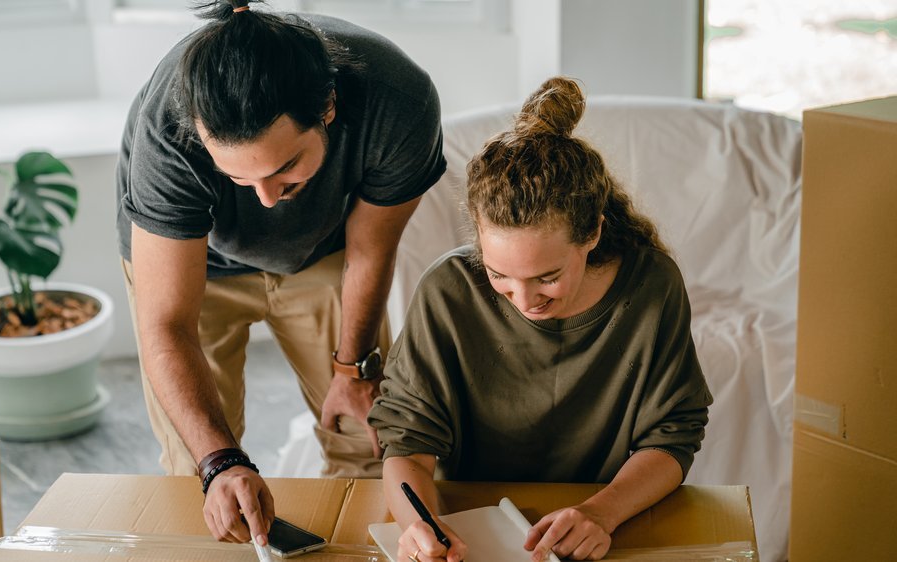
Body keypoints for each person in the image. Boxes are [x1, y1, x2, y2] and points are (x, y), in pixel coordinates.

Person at [115, 0, 446, 548]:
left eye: (284, 167)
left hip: (325, 252)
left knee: (366, 438)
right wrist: (220, 462)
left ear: (329, 109)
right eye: (239, 177)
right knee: (200, 471)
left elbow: (371, 250)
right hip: (193, 264)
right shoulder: (167, 131)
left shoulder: (398, 101)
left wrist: (352, 367)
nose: (267, 199)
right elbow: (167, 325)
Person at [368, 76, 712, 562]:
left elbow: (674, 435)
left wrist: (601, 513)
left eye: (547, 277)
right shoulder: (447, 291)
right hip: (471, 525)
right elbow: (407, 441)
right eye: (498, 275)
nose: (523, 300)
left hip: (603, 523)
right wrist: (420, 528)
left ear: (592, 231)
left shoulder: (651, 286)